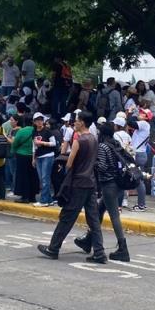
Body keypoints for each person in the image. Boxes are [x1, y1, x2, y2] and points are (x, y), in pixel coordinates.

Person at [38, 112, 106, 263]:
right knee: (93, 219)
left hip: (78, 183)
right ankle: (99, 252)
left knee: (67, 217)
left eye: (77, 121)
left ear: (82, 122)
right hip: (90, 182)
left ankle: (53, 248)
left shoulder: (79, 141)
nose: (74, 123)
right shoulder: (94, 139)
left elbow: (69, 164)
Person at [72, 122, 130, 261]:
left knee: (114, 216)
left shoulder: (103, 146)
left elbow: (103, 166)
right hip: (117, 183)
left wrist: (91, 162)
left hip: (108, 184)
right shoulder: (115, 143)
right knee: (97, 211)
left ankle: (123, 248)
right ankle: (88, 240)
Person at [31, 113, 58, 207]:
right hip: (38, 157)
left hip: (48, 155)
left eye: (41, 120)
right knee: (42, 178)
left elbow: (54, 143)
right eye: (37, 120)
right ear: (34, 122)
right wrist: (33, 158)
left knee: (45, 178)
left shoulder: (47, 131)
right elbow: (34, 146)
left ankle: (43, 201)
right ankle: (49, 200)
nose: (39, 121)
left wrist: (42, 143)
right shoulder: (34, 132)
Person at [10, 114, 37, 203]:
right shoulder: (36, 130)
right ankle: (32, 196)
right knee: (32, 176)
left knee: (23, 176)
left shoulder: (22, 131)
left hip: (22, 155)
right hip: (33, 156)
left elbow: (15, 143)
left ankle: (25, 197)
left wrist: (13, 151)